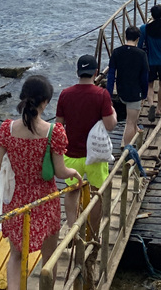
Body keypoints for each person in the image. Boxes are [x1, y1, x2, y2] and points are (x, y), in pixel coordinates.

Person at [0, 75, 81, 290]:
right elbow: (60, 172)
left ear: (23, 98)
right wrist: (74, 173)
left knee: (15, 256)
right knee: (49, 257)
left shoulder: (7, 129)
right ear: (45, 102)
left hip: (16, 201)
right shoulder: (53, 132)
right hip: (44, 199)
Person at [56, 55, 117, 235]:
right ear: (96, 72)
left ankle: (72, 229)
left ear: (78, 72)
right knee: (97, 193)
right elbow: (110, 125)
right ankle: (93, 233)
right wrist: (112, 110)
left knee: (72, 191)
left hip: (71, 154)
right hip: (95, 155)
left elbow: (59, 125)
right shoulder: (102, 94)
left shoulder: (65, 94)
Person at [105, 26, 149, 146]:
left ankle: (133, 141)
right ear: (138, 39)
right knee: (130, 122)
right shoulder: (141, 54)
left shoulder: (116, 52)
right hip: (135, 92)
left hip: (121, 90)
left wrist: (108, 95)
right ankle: (127, 148)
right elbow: (145, 77)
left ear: (125, 36)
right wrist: (144, 94)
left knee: (132, 121)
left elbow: (111, 75)